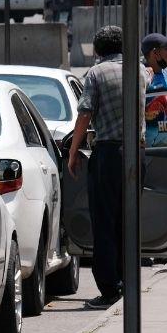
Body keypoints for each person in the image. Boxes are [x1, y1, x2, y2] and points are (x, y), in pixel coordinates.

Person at [67, 25, 146, 310]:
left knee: (104, 222)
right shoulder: (140, 71)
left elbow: (85, 113)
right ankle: (129, 281)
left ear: (97, 50)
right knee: (129, 220)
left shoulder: (96, 74)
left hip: (109, 153)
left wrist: (74, 152)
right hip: (137, 153)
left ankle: (110, 289)